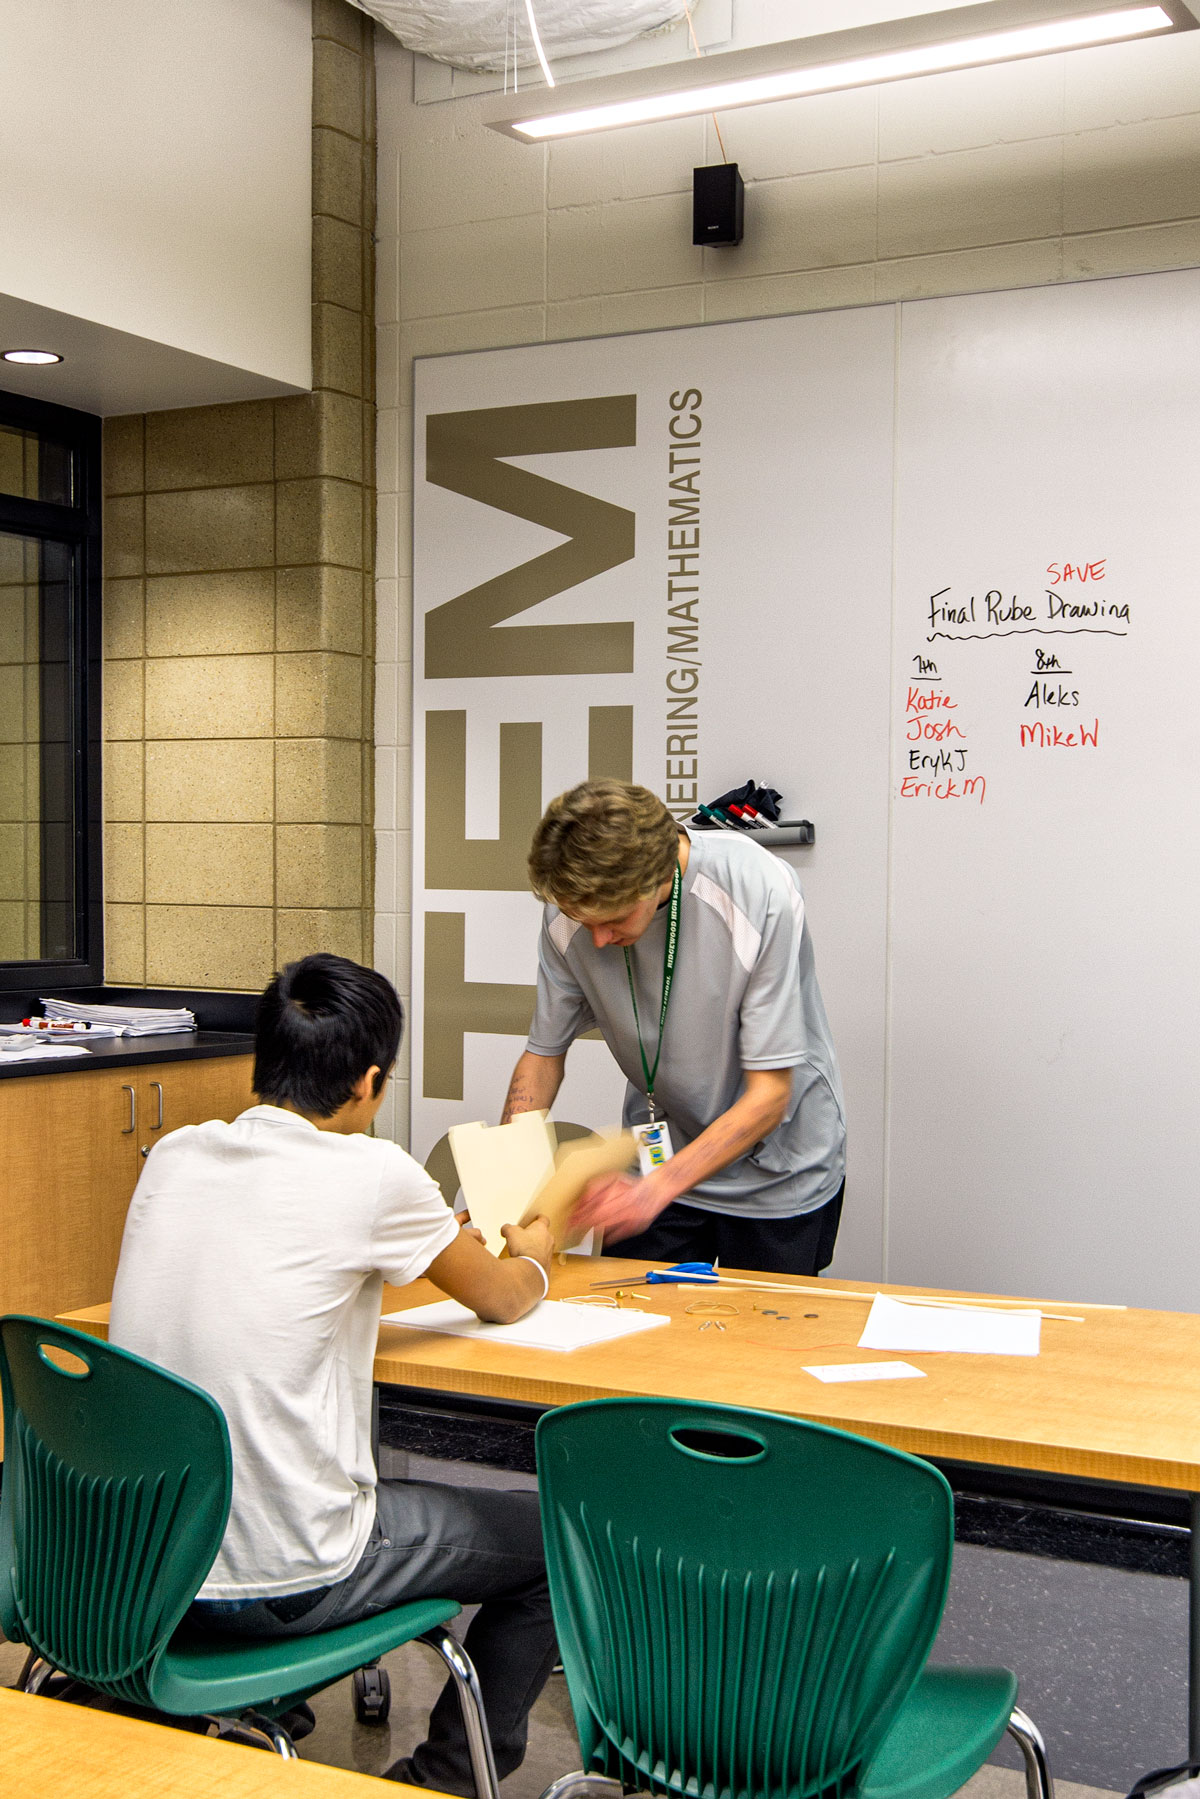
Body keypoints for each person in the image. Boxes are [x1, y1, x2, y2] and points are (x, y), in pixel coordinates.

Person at [109, 953, 556, 1793]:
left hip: (140, 1570)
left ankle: (265, 1712)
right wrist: (533, 1259)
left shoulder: (176, 1152)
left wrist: (426, 1233)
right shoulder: (375, 1172)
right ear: (371, 1081)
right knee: (554, 1540)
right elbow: (500, 1296)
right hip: (283, 1578)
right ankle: (447, 1779)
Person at [502, 780, 846, 1276]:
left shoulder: (756, 888)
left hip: (774, 1170)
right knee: (630, 1330)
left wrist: (655, 1190)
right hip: (655, 1157)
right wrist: (506, 1188)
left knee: (759, 1344)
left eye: (615, 919)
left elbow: (770, 1094)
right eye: (583, 918)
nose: (597, 939)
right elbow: (543, 1056)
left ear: (659, 876)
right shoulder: (570, 911)